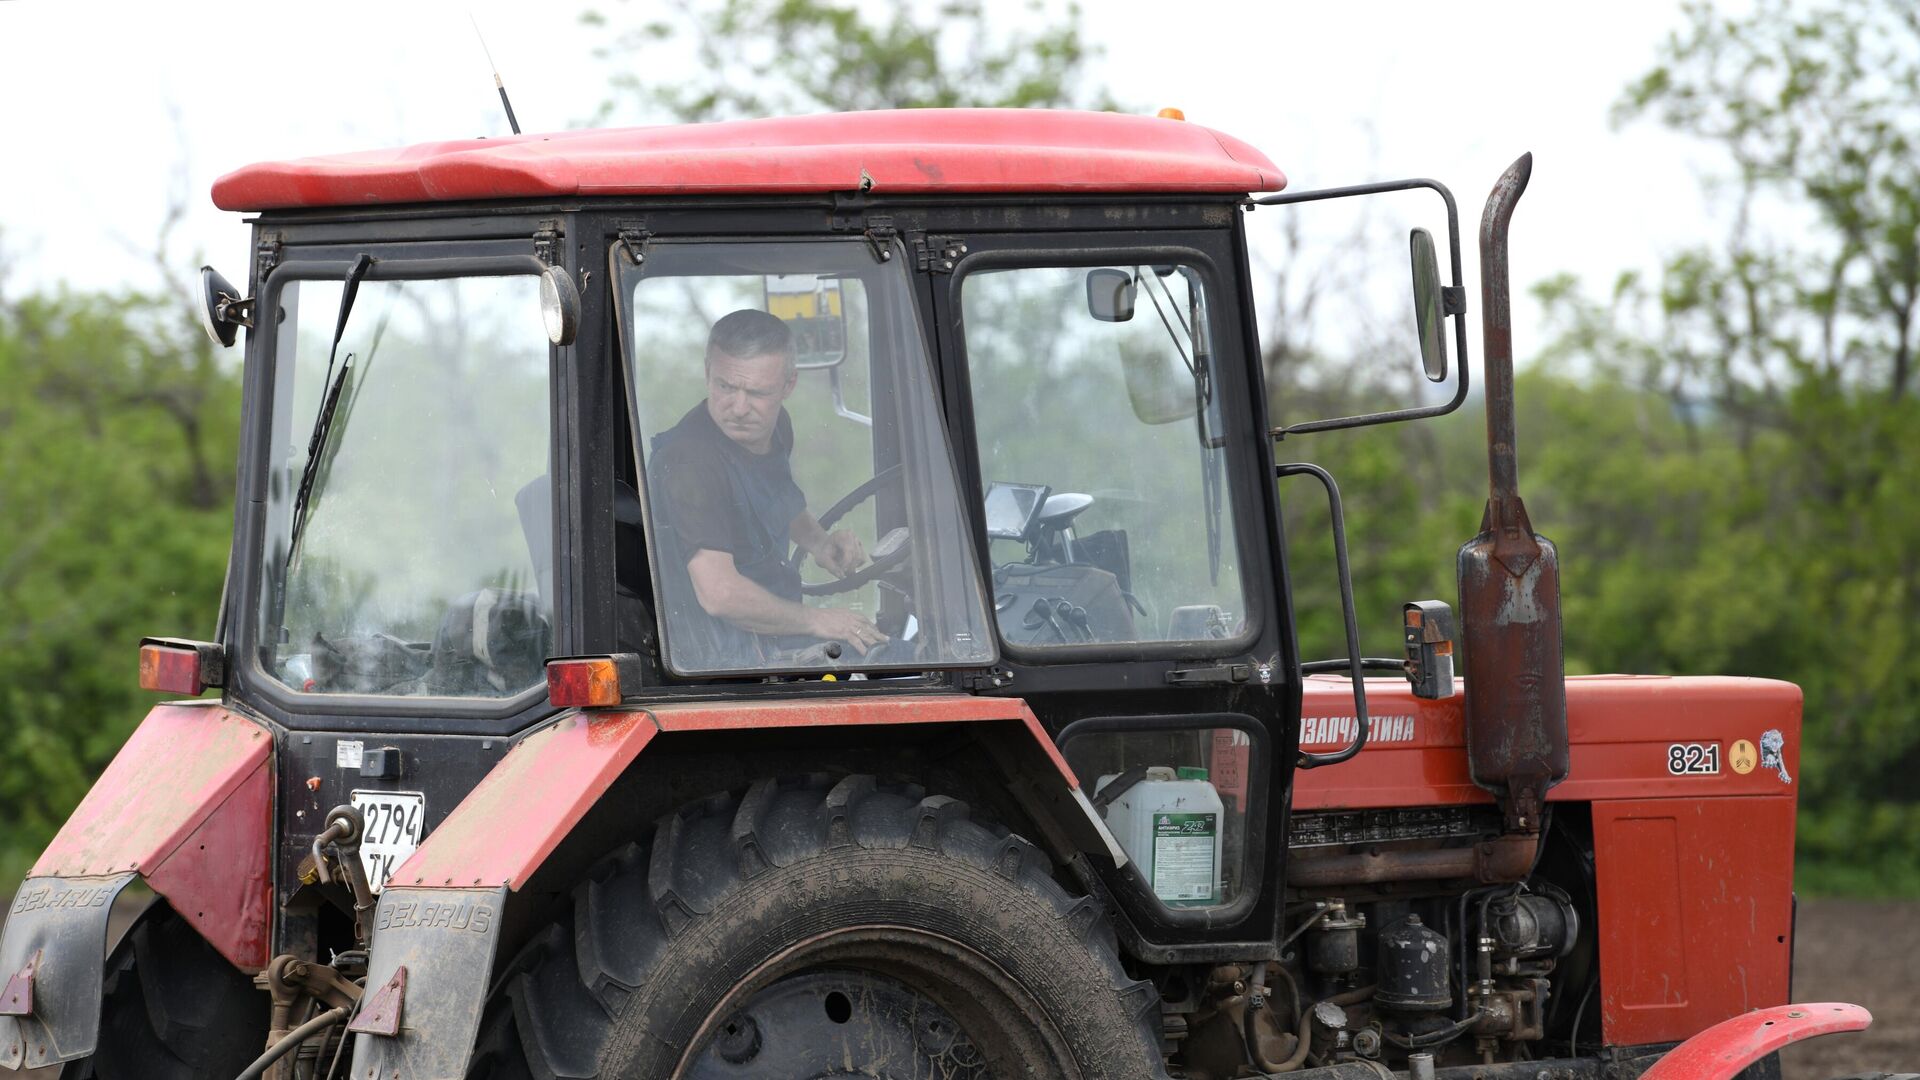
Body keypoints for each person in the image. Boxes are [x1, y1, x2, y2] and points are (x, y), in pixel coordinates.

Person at [648, 309, 888, 668]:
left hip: (773, 637)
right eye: (726, 387)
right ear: (707, 373)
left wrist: (820, 542)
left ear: (787, 385)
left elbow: (773, 496)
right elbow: (720, 594)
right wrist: (819, 620)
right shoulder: (689, 463)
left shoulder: (774, 426)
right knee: (894, 661)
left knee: (901, 657)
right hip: (721, 659)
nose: (739, 408)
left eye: (758, 392)